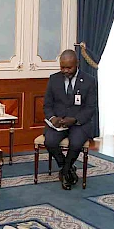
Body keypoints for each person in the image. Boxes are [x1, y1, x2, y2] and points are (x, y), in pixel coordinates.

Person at [43, 49, 98, 190]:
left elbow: (91, 108)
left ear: (77, 64)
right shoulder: (53, 79)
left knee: (75, 143)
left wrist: (74, 119)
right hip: (58, 123)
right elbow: (47, 104)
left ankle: (65, 171)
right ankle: (66, 168)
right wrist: (52, 117)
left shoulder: (89, 81)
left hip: (79, 123)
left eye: (69, 67)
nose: (65, 71)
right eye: (62, 67)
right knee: (49, 141)